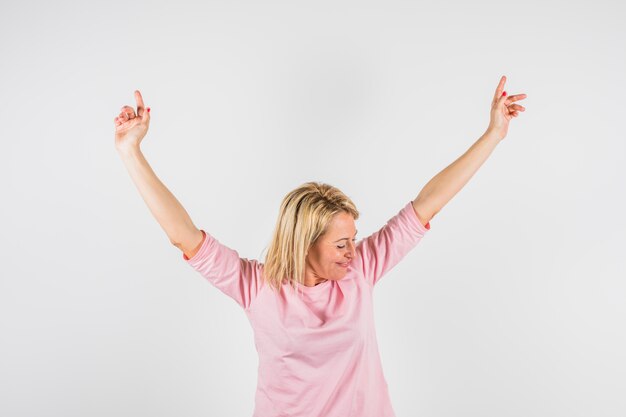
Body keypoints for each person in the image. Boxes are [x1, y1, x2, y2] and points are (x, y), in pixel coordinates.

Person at [113, 76, 526, 417]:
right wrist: (130, 151)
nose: (353, 251)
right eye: (342, 244)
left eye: (354, 240)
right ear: (305, 243)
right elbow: (183, 234)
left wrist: (493, 135)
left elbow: (429, 202)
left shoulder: (361, 270)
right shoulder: (257, 287)